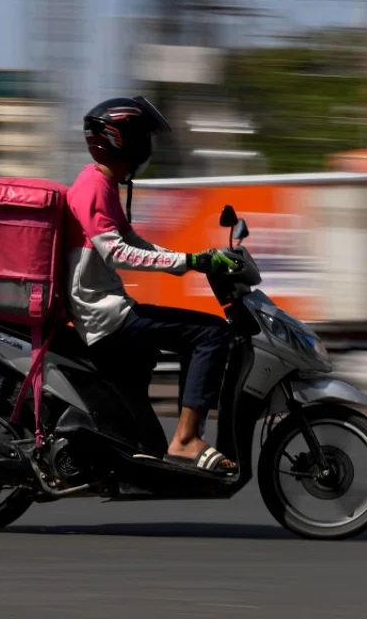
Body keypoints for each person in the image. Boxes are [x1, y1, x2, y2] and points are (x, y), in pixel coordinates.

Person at [65, 96, 238, 474]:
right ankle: (187, 440)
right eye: (142, 137)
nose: (147, 146)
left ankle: (151, 446)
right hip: (105, 315)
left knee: (167, 353)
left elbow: (133, 241)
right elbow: (118, 253)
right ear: (118, 138)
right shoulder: (93, 186)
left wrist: (192, 260)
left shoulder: (103, 184)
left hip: (108, 307)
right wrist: (187, 262)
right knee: (211, 333)